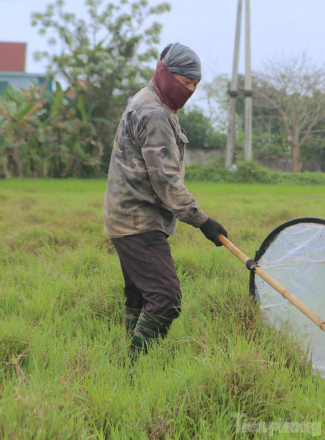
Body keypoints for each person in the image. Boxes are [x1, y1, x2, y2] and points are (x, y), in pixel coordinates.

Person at [103, 42, 228, 358]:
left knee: (140, 296)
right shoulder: (154, 112)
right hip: (138, 221)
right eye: (186, 83)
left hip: (127, 215)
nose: (191, 90)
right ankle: (135, 362)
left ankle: (128, 368)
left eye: (196, 85)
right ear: (166, 73)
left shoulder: (149, 101)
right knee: (166, 298)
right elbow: (167, 182)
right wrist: (203, 222)